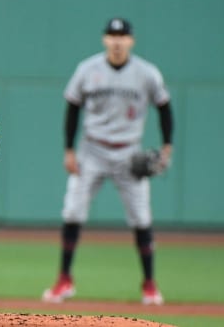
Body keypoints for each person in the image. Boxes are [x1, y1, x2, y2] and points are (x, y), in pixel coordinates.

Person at [42, 18, 173, 306]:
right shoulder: (87, 70)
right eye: (112, 35)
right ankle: (64, 279)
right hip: (92, 150)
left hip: (129, 153)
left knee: (141, 218)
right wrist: (69, 150)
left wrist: (167, 147)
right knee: (72, 212)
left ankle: (149, 284)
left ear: (131, 41)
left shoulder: (146, 73)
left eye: (122, 36)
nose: (117, 40)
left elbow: (164, 107)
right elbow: (72, 109)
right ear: (105, 39)